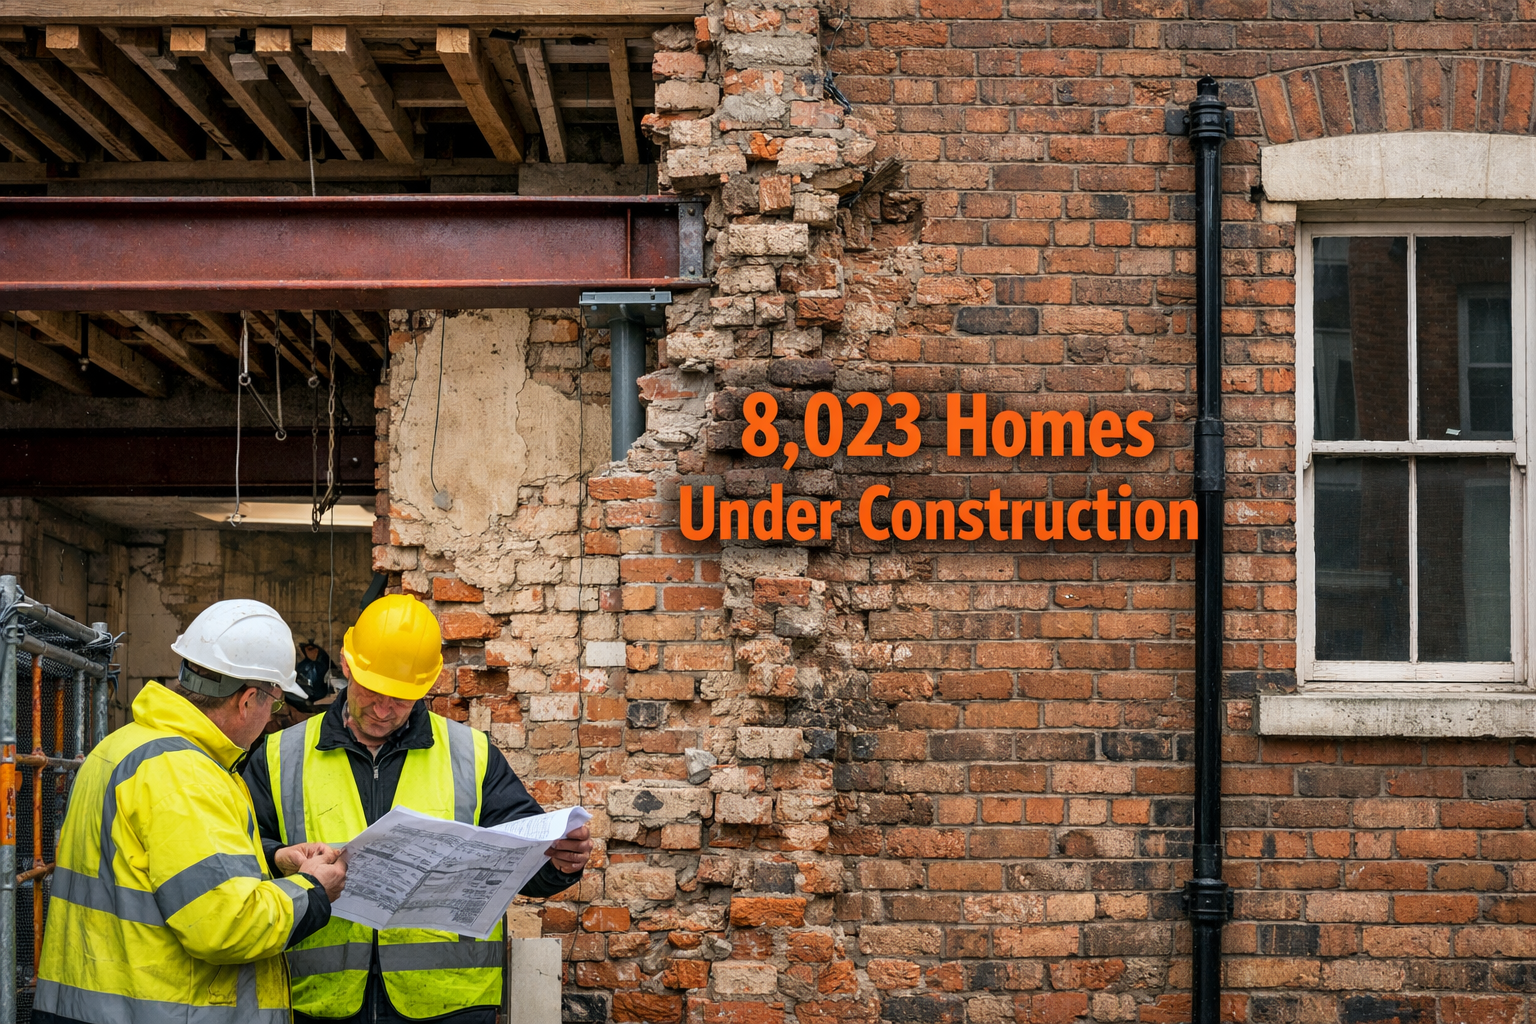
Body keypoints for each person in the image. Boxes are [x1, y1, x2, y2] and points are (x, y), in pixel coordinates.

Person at [244, 594, 593, 1024]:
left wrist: (560, 861)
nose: (384, 709)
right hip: (317, 1000)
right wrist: (281, 858)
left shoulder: (471, 755)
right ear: (347, 666)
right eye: (373, 692)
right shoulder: (282, 754)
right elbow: (236, 857)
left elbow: (523, 860)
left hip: (449, 1006)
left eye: (402, 698)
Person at [35, 599, 348, 1024]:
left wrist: (274, 863)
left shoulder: (123, 746)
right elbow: (226, 926)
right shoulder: (186, 774)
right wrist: (311, 889)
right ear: (249, 699)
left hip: (99, 1004)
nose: (271, 718)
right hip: (159, 1009)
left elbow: (161, 876)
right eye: (274, 705)